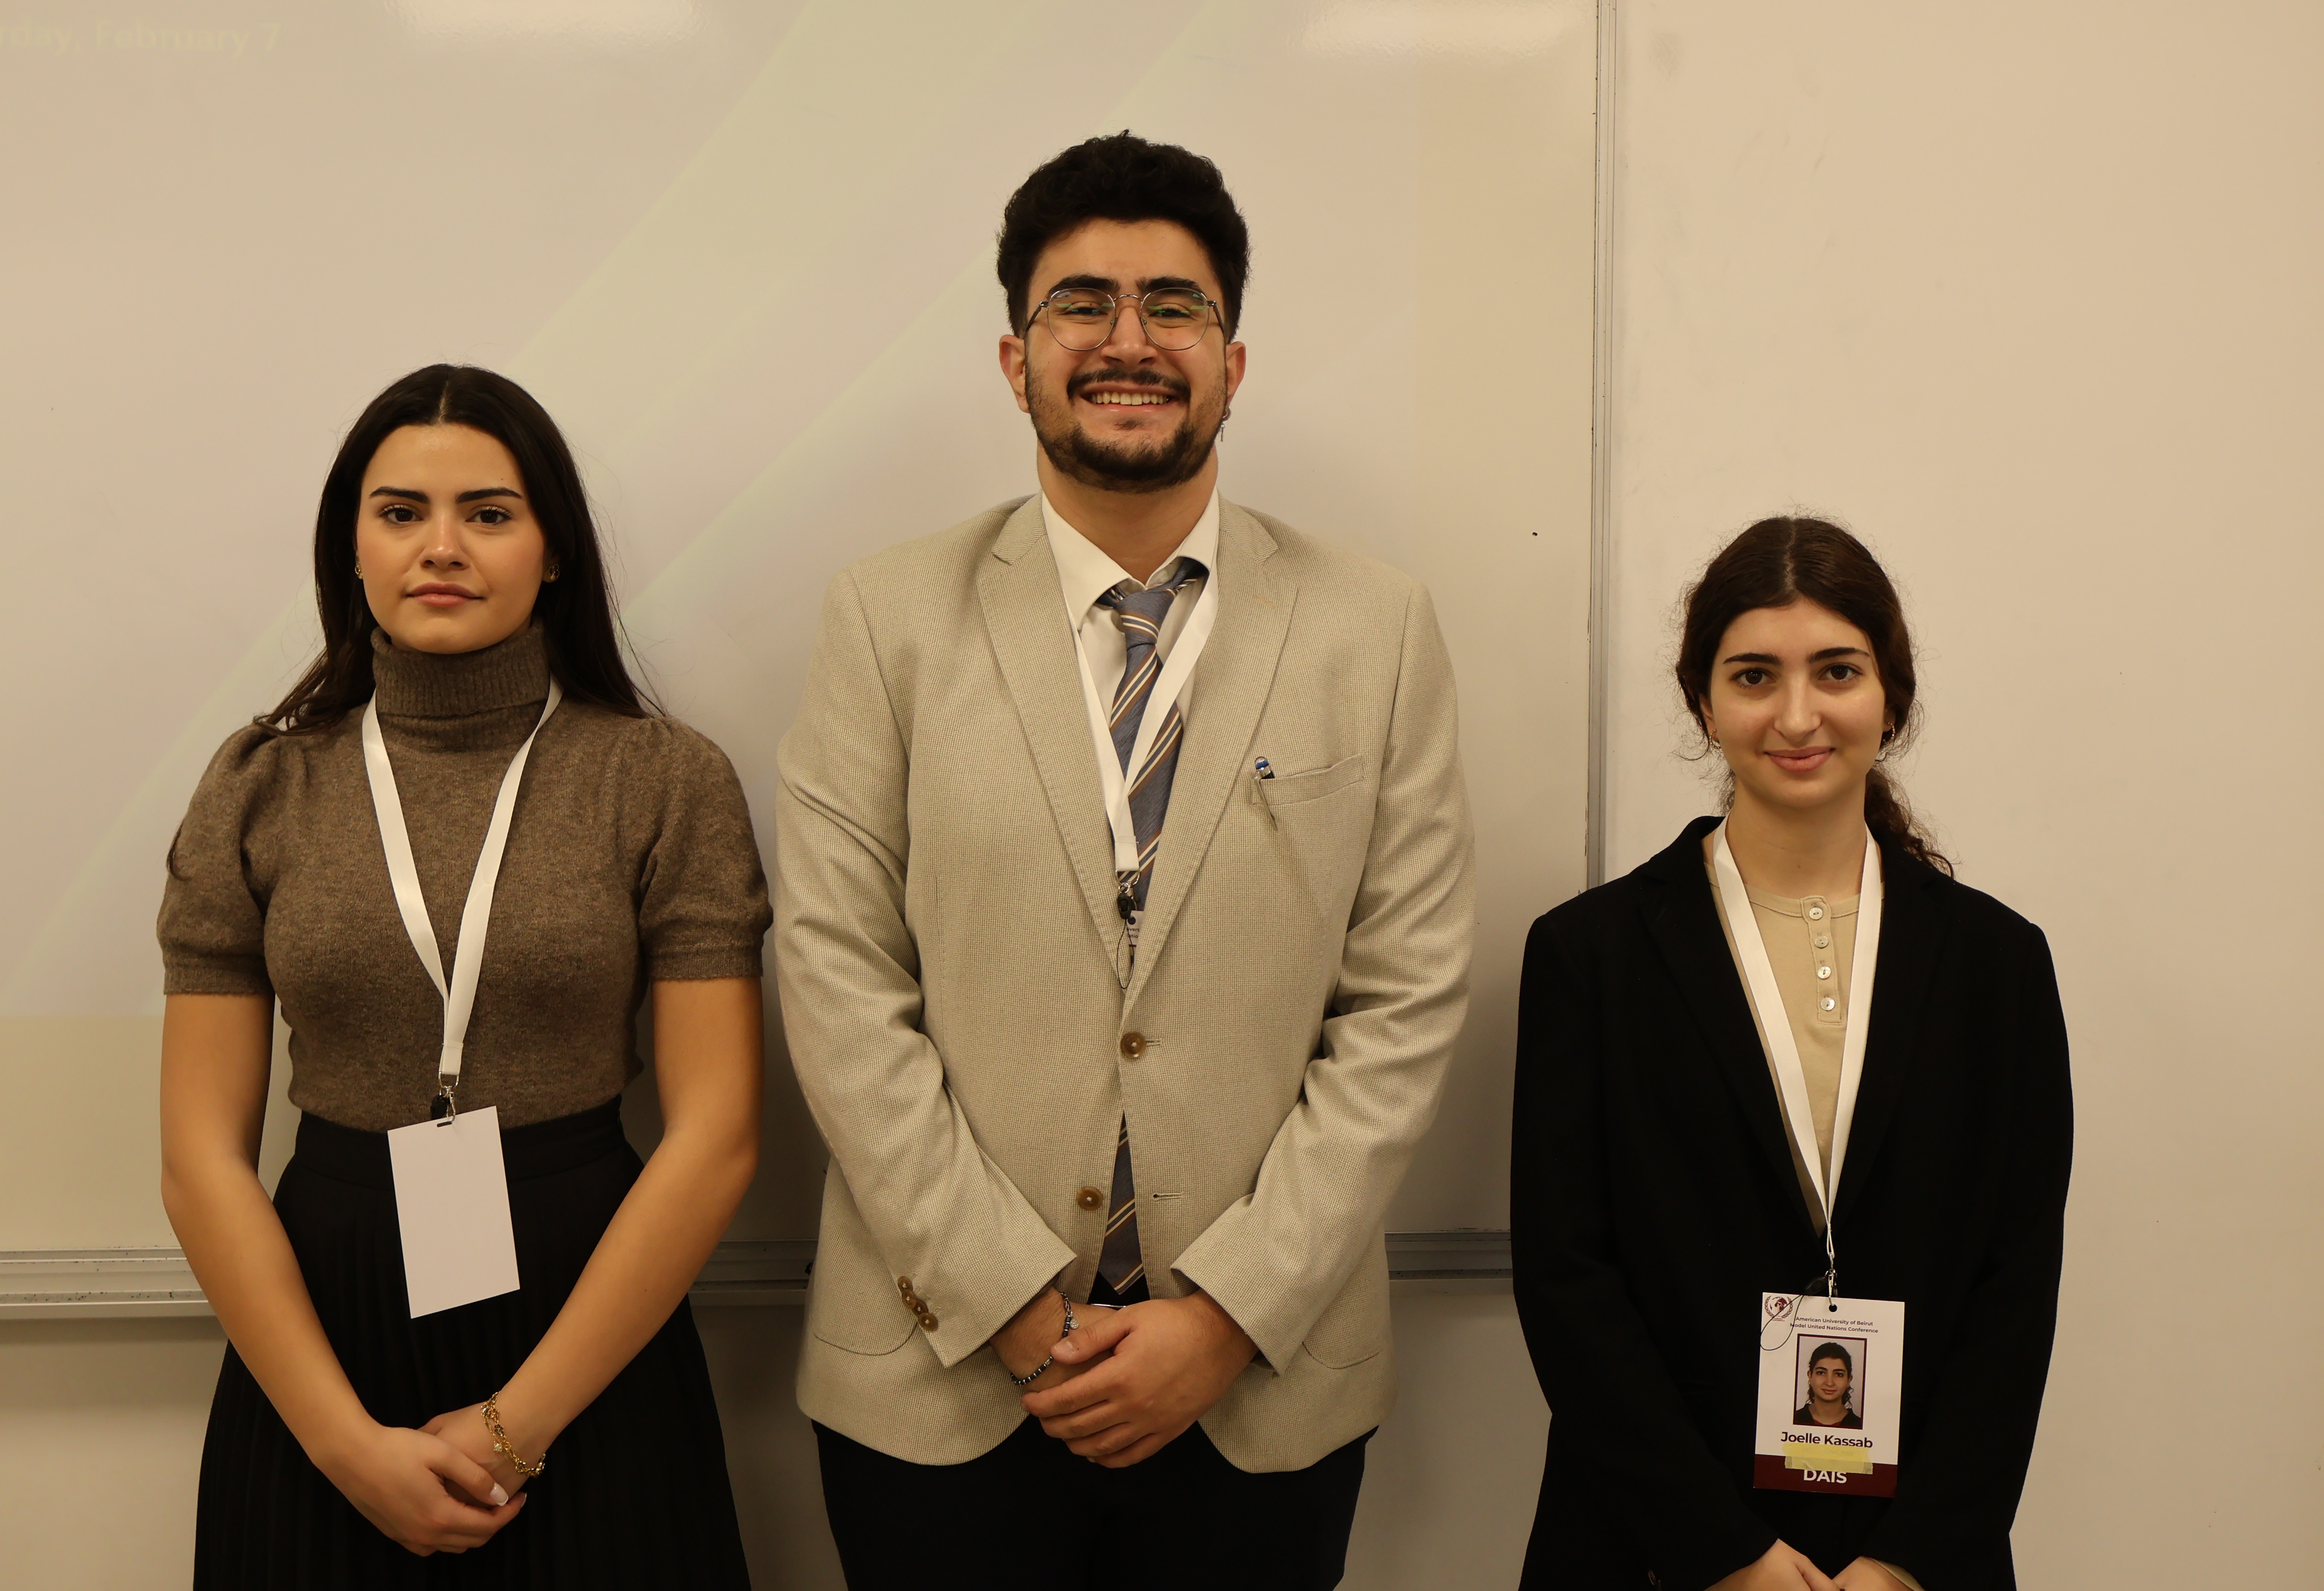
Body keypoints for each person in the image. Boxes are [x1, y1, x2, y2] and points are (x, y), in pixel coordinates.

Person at [774, 133, 1474, 1590]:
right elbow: (839, 984)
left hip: (1255, 1386)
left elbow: (1401, 1005)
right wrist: (1014, 1305)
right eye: (1080, 305)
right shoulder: (886, 619)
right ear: (1014, 359)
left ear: (1233, 360)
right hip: (944, 1376)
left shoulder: (1374, 626)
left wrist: (1227, 1311)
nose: (1128, 341)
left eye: (1174, 306)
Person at [159, 365, 768, 1587]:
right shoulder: (259, 783)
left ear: (555, 552)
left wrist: (513, 1429)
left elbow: (718, 1135)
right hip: (320, 1336)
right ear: (352, 548)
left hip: (588, 1320)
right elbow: (199, 1159)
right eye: (401, 513)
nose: (442, 547)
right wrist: (342, 1446)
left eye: (489, 513)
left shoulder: (662, 778)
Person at [1511, 518, 2072, 1591]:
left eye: (1838, 671)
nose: (1798, 715)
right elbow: (1568, 1280)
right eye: (1755, 675)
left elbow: (2016, 1289)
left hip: (1912, 1555)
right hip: (1651, 1546)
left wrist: (1906, 1559)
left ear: (1892, 697)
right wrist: (1726, 1554)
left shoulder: (1997, 964)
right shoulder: (1592, 955)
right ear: (1703, 702)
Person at [1795, 1343, 1863, 1430]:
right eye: (1821, 1373)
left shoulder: (1861, 1427)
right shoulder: (1791, 1421)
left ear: (1849, 1380)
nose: (1830, 1383)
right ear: (1810, 1376)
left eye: (1839, 1374)